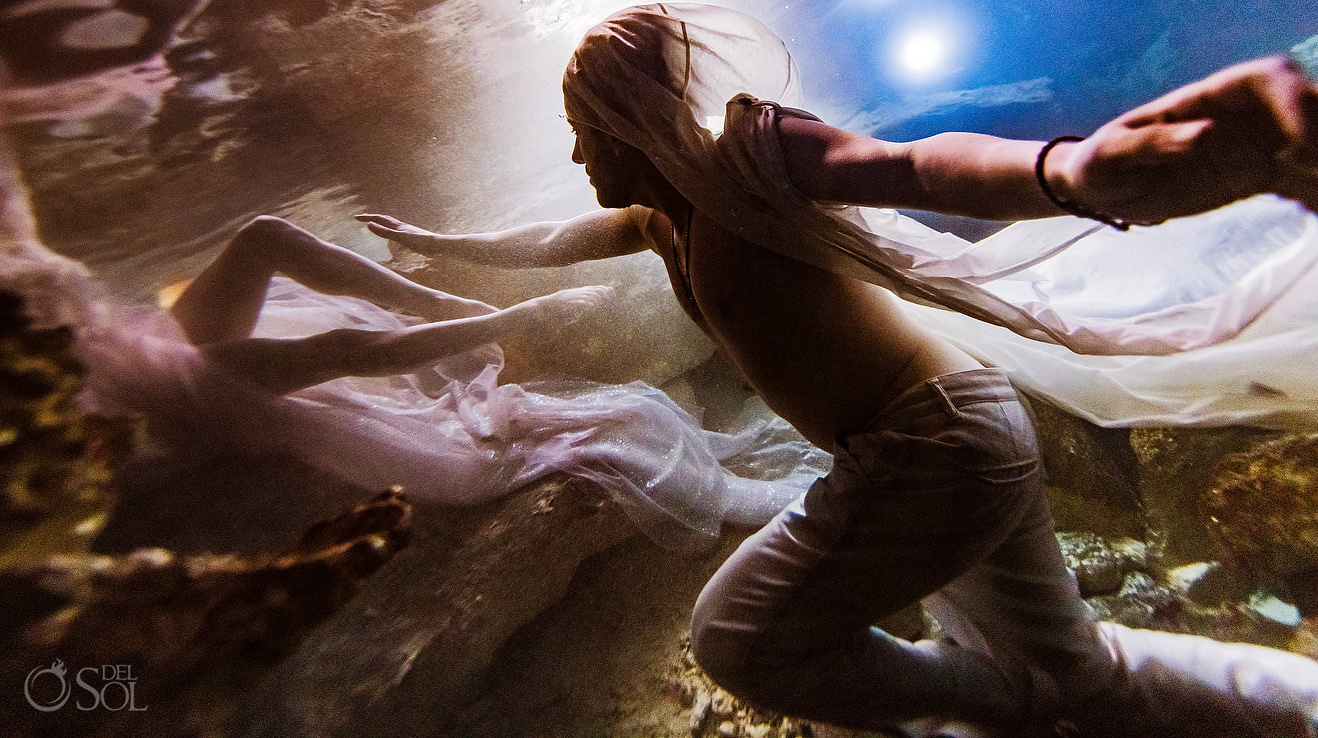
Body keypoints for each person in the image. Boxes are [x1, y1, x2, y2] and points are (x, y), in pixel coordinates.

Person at [361, 3, 1318, 737]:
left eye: (588, 134)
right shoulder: (655, 219)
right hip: (953, 440)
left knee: (736, 637)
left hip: (931, 446)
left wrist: (1067, 171)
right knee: (1080, 663)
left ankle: (1015, 707)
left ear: (634, 119)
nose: (582, 159)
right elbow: (554, 237)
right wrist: (437, 242)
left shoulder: (748, 161)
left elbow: (913, 164)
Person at [80, 214, 814, 538]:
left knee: (265, 237)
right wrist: (524, 315)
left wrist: (432, 270)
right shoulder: (202, 382)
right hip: (137, 415)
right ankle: (471, 311)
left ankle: (433, 298)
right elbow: (352, 353)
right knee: (336, 345)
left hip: (109, 362)